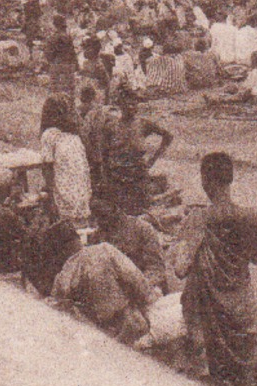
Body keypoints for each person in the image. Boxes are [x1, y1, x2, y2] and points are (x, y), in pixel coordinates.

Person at [174, 152, 257, 386]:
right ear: (230, 179)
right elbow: (256, 257)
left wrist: (182, 236)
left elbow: (179, 269)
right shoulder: (250, 216)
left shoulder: (199, 218)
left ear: (205, 182)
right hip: (241, 308)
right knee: (244, 381)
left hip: (211, 316)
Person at [50, 242, 159, 347]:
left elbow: (59, 297)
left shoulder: (66, 270)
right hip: (119, 311)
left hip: (100, 321)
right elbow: (133, 275)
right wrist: (148, 297)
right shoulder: (104, 249)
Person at [101, 88, 172, 216]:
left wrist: (152, 160)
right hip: (118, 179)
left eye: (134, 104)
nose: (131, 107)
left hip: (138, 178)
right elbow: (104, 153)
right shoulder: (111, 126)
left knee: (141, 214)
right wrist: (107, 177)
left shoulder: (142, 124)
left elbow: (167, 136)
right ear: (120, 105)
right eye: (127, 104)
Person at [91, 196, 169, 297]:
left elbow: (156, 267)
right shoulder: (97, 237)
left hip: (146, 288)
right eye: (96, 217)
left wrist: (140, 287)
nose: (100, 221)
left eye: (104, 216)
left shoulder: (141, 229)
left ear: (114, 207)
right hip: (115, 295)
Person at [37, 95, 92, 223]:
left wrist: (51, 196)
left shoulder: (50, 135)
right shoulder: (74, 134)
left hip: (64, 190)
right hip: (80, 190)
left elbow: (48, 169)